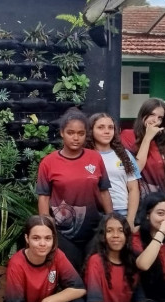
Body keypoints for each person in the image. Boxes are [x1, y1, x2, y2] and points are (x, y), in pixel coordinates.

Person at [37, 109, 112, 271]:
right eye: (71, 132)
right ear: (62, 133)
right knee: (73, 272)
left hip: (94, 229)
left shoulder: (95, 158)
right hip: (64, 232)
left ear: (86, 134)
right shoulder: (48, 162)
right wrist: (46, 226)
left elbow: (104, 190)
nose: (76, 138)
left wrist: (111, 219)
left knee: (93, 270)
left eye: (81, 133)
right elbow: (43, 197)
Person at [87, 112, 141, 229]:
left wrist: (130, 220)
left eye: (110, 127)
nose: (107, 131)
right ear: (91, 130)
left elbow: (133, 189)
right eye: (101, 127)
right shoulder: (85, 155)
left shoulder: (124, 154)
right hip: (94, 213)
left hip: (122, 212)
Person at [120, 98, 165, 199]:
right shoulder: (127, 135)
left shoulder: (164, 141)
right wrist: (147, 138)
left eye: (160, 118)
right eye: (152, 114)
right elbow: (134, 170)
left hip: (162, 199)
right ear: (143, 114)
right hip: (137, 200)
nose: (155, 120)